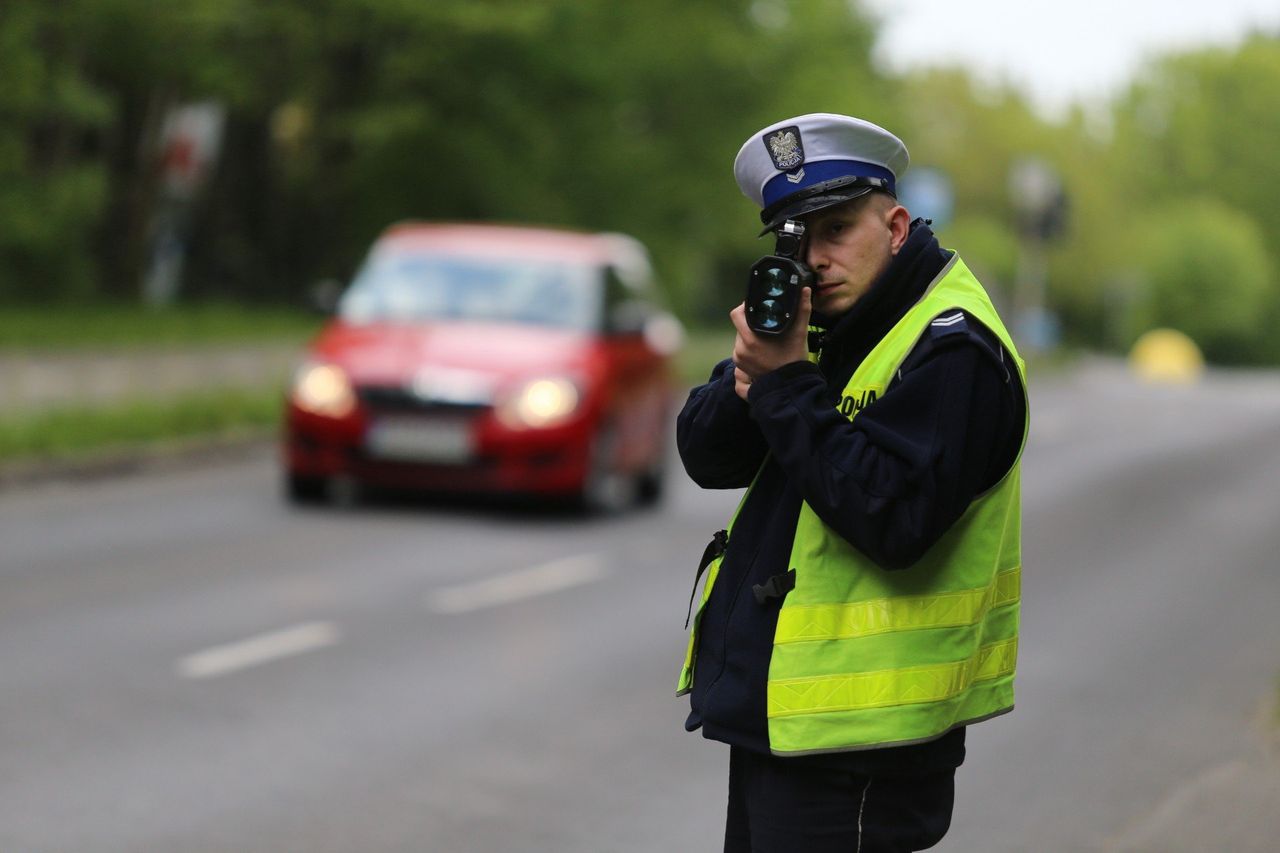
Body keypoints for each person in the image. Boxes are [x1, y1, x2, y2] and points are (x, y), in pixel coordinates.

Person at [676, 113, 1029, 852]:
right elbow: (707, 458)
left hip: (866, 748)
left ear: (896, 225)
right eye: (794, 239)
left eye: (836, 230)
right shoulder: (830, 322)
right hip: (789, 725)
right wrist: (751, 372)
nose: (813, 258)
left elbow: (892, 517)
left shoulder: (953, 345)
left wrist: (788, 386)